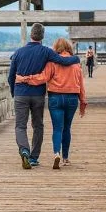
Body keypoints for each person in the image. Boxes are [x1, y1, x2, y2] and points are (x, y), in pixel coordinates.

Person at [8, 23, 80, 169]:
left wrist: (13, 92)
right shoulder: (46, 52)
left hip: (21, 94)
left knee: (20, 126)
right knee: (38, 125)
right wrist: (76, 59)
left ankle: (24, 150)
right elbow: (64, 61)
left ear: (31, 35)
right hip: (38, 95)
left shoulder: (18, 52)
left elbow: (11, 76)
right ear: (42, 36)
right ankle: (34, 158)